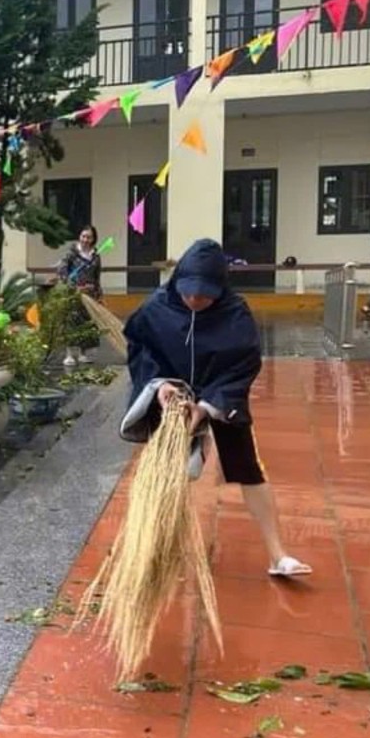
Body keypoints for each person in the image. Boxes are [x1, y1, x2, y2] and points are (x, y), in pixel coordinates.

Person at [121, 239, 311, 579]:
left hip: (220, 399)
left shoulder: (235, 313)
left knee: (249, 469)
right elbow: (139, 349)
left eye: (204, 294)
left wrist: (208, 407)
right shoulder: (156, 307)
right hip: (173, 399)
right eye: (188, 292)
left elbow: (244, 364)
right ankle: (159, 547)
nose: (194, 300)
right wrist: (160, 386)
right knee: (168, 473)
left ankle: (278, 555)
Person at [58, 225, 103, 367]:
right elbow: (62, 271)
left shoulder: (96, 256)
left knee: (87, 323)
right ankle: (69, 354)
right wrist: (74, 287)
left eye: (88, 237)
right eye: (83, 236)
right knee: (71, 322)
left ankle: (83, 354)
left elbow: (97, 276)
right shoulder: (71, 253)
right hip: (74, 293)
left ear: (93, 239)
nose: (85, 239)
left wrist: (98, 292)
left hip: (90, 294)